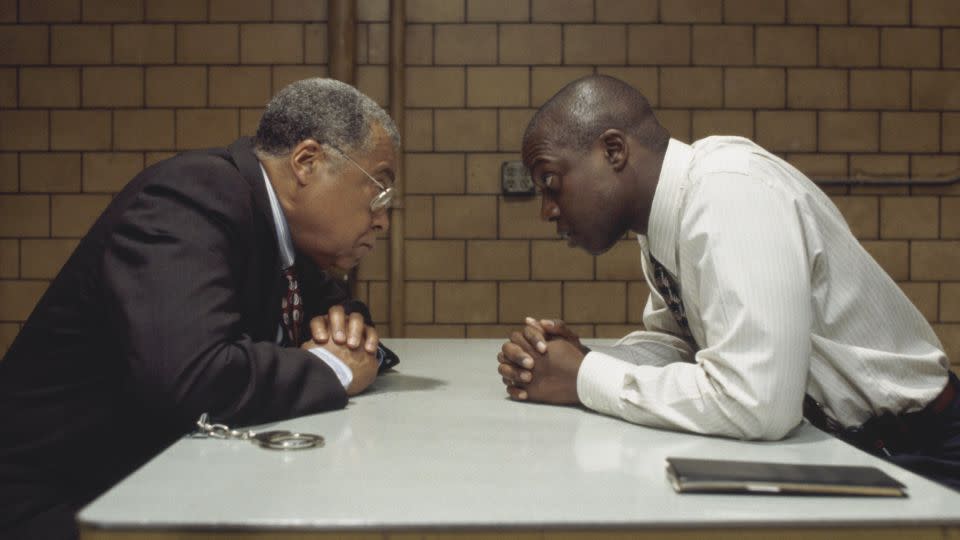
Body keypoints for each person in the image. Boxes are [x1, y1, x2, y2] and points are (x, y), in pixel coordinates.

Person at [497, 75, 959, 491]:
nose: (548, 211)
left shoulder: (728, 192)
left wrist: (584, 378)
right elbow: (681, 342)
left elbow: (758, 403)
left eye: (552, 182)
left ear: (613, 151)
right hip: (856, 445)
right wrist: (576, 360)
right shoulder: (665, 218)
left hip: (924, 454)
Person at [0, 78, 401, 538]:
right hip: (58, 501)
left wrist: (351, 331)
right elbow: (191, 377)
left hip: (151, 482)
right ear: (307, 163)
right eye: (379, 191)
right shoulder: (194, 196)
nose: (383, 219)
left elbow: (339, 313)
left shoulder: (283, 237)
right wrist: (334, 367)